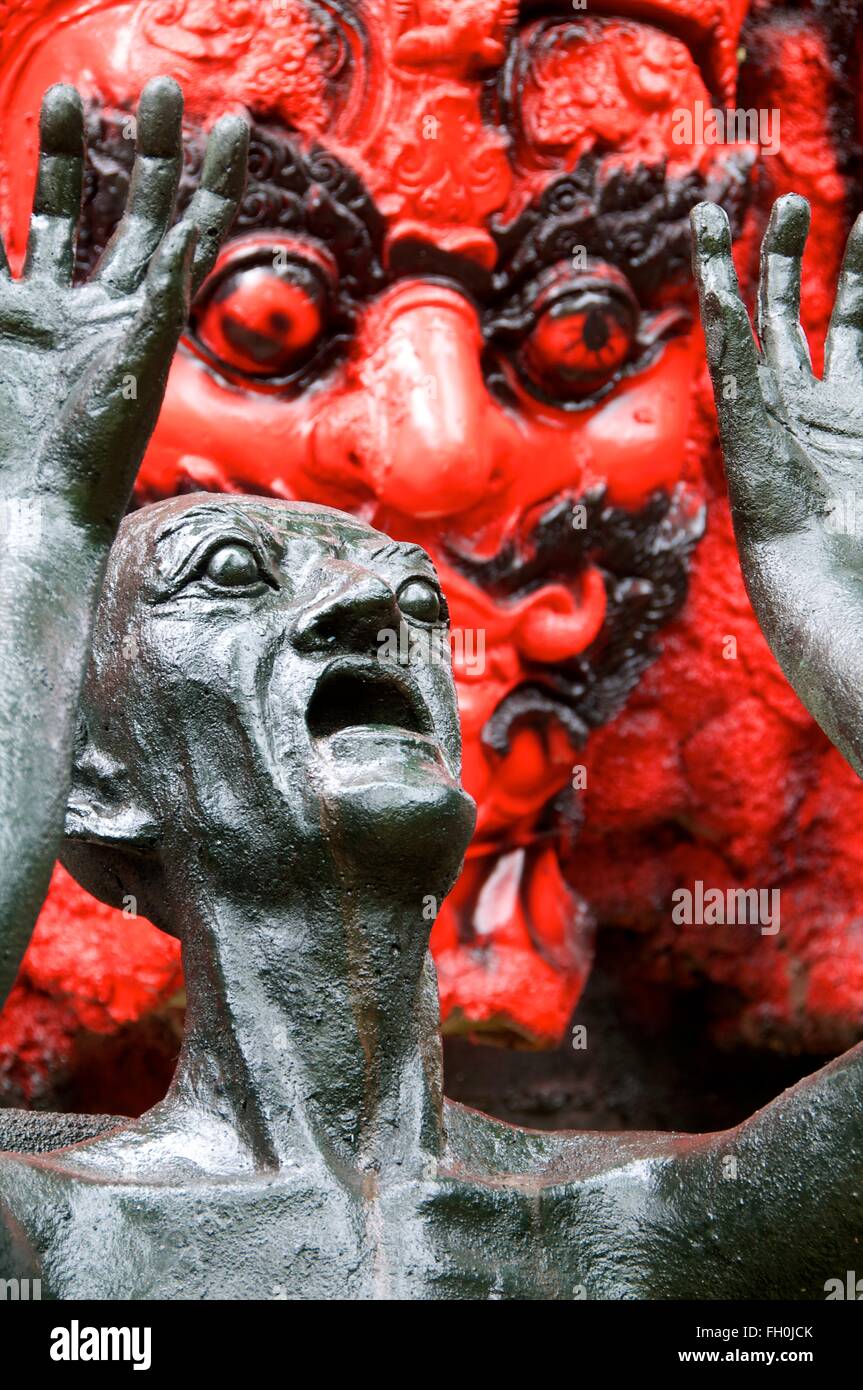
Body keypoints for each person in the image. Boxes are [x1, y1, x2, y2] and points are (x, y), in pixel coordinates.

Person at [0, 80, 861, 1300]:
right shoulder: (73, 1242)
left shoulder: (624, 1223)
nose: (374, 616)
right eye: (233, 576)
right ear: (93, 774)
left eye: (415, 605)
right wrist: (33, 530)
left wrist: (826, 587)